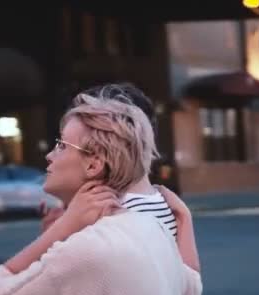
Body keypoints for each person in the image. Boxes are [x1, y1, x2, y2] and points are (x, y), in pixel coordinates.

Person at [0, 92, 202, 295]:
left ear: (94, 165)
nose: (49, 155)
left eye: (61, 145)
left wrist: (62, 228)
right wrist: (184, 218)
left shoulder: (85, 250)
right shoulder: (152, 229)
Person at [41, 83, 200, 274]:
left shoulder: (108, 218)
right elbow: (184, 291)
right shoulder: (164, 206)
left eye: (63, 144)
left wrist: (54, 239)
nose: (50, 155)